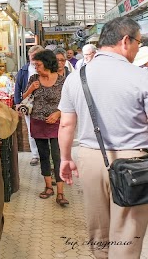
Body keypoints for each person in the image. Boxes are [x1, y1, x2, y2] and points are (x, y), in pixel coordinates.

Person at [58, 17, 148, 258]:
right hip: (133, 164)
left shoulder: (76, 77)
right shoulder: (142, 77)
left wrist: (65, 159)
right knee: (127, 231)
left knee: (98, 228)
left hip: (89, 158)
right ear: (125, 41)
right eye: (139, 42)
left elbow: (66, 123)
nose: (139, 48)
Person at [23, 49, 68, 206]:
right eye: (35, 65)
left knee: (57, 156)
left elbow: (70, 102)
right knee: (43, 155)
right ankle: (48, 187)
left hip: (56, 123)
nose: (36, 68)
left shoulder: (62, 81)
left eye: (39, 65)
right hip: (37, 121)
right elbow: (24, 96)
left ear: (48, 64)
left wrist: (58, 113)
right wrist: (31, 89)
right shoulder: (34, 78)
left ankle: (60, 192)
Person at [14, 44, 44, 166]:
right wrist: (17, 103)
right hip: (29, 104)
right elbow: (18, 88)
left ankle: (45, 154)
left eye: (34, 56)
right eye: (30, 56)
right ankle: (35, 155)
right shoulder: (23, 71)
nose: (32, 59)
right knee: (32, 130)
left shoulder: (46, 68)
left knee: (44, 129)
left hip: (44, 103)